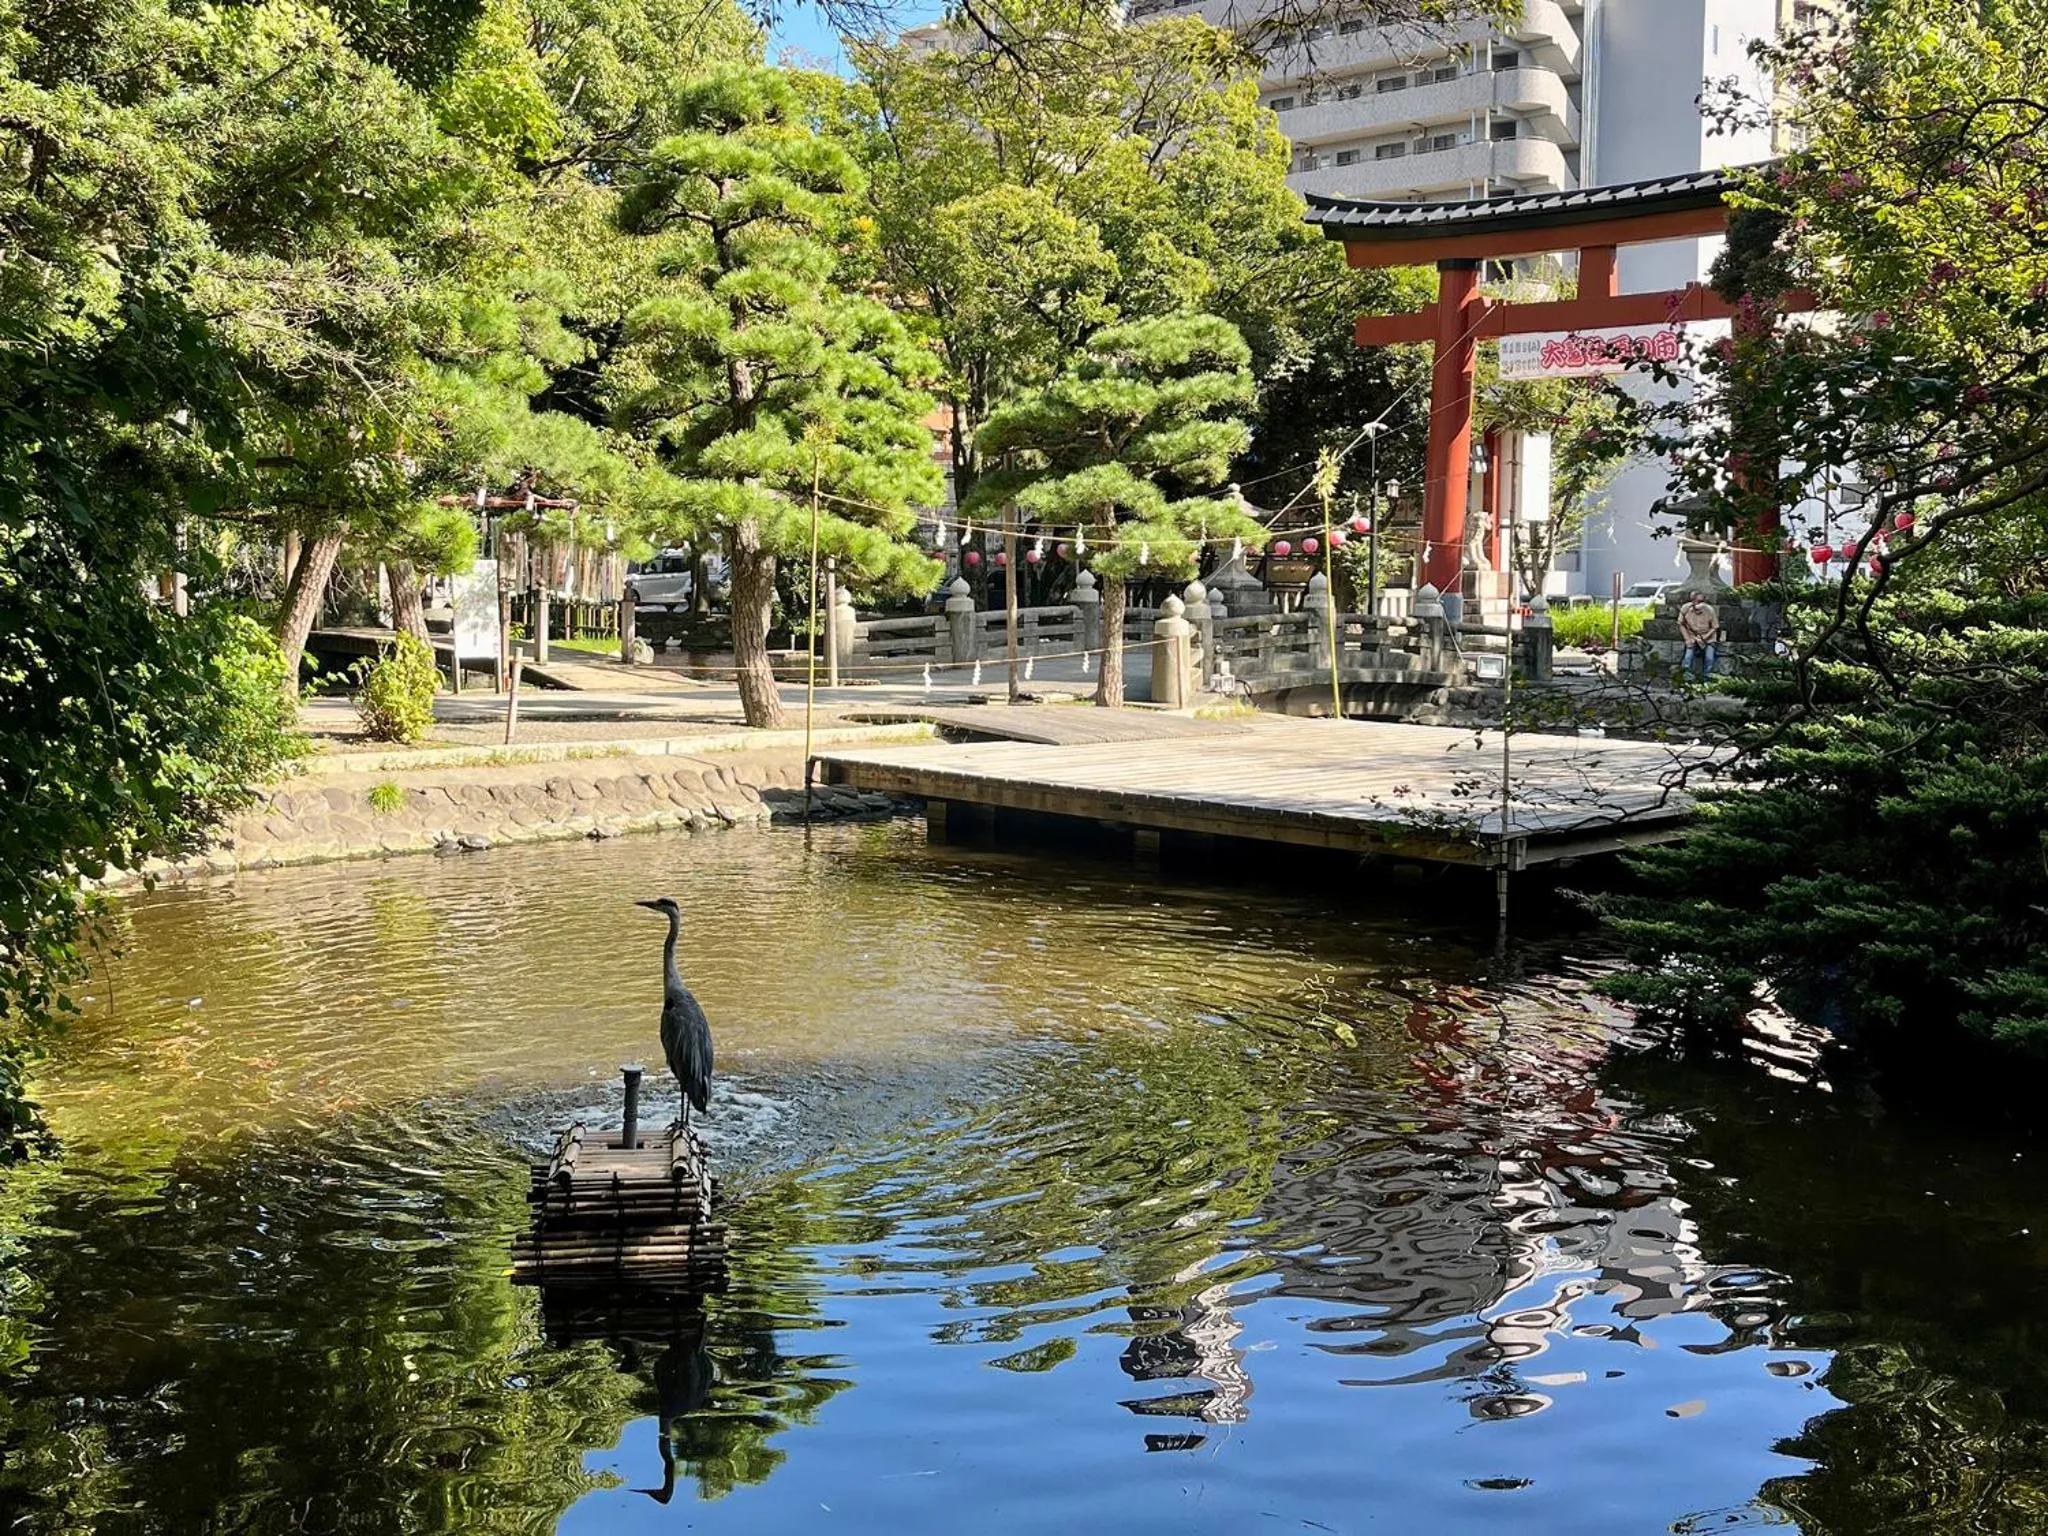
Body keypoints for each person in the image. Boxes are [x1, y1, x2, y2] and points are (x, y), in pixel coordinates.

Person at [1677, 589, 1720, 680]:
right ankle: (1686, 679)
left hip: (1708, 637)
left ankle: (1706, 680)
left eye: (1702, 601)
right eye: (1698, 601)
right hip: (1692, 636)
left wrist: (1705, 637)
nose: (1700, 604)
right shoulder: (1685, 609)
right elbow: (1681, 624)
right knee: (1688, 657)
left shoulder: (1709, 610)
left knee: (1709, 658)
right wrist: (1687, 639)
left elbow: (1715, 627)